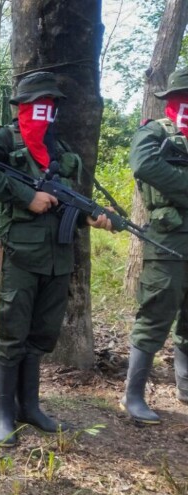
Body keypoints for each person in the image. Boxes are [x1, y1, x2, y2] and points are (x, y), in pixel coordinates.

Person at [0, 71, 112, 447]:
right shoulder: (2, 139)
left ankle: (29, 406)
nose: (44, 112)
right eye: (37, 105)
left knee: (43, 333)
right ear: (21, 107)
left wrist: (92, 216)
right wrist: (25, 196)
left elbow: (67, 204)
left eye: (51, 105)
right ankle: (3, 413)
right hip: (17, 254)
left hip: (58, 259)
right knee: (11, 331)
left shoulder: (59, 150)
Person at [121, 67, 188, 425]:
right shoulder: (153, 131)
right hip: (167, 241)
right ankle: (133, 396)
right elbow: (144, 164)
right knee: (155, 315)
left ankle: (185, 390)